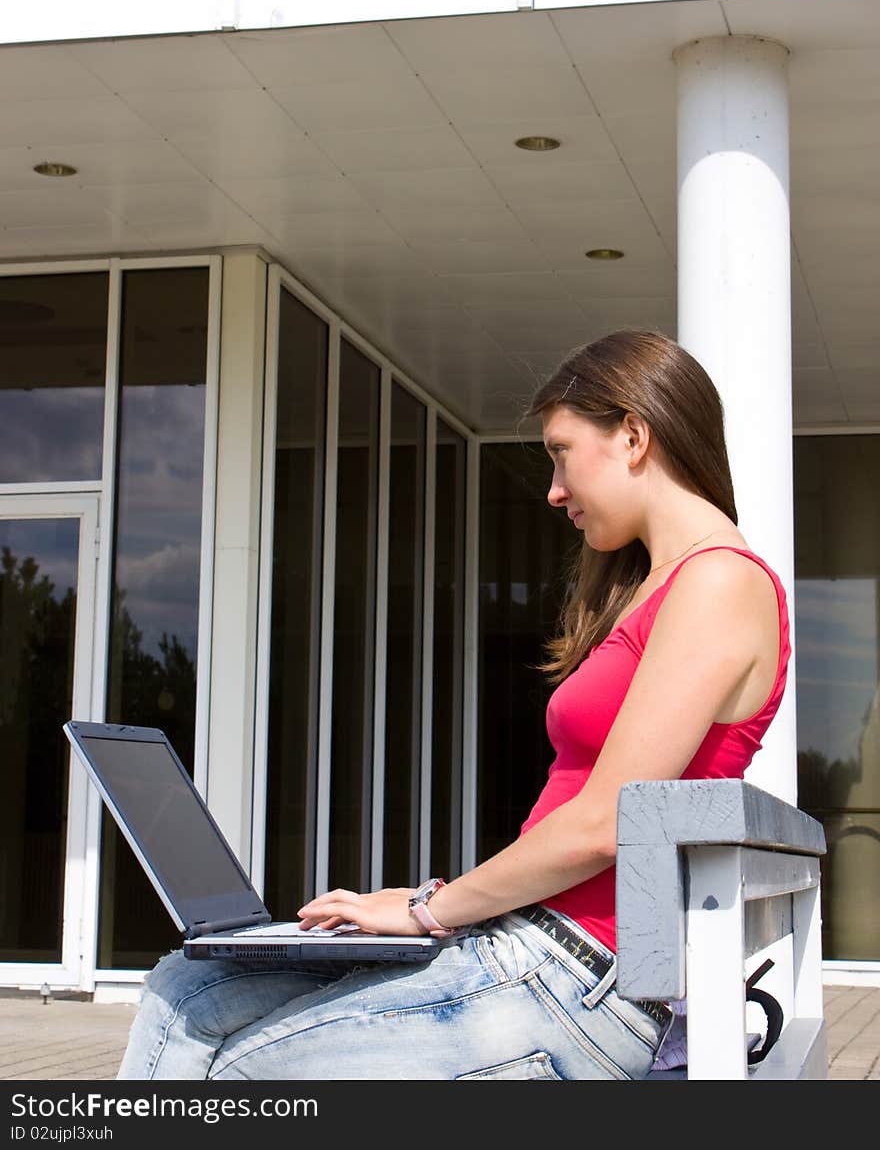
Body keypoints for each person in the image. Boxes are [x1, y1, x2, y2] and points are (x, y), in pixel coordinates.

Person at [116, 327, 790, 1081]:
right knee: (189, 989)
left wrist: (424, 910)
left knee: (239, 1072)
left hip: (583, 980)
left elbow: (607, 824)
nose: (554, 491)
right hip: (530, 946)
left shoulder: (720, 582)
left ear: (633, 435)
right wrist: (428, 904)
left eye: (562, 453)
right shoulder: (655, 588)